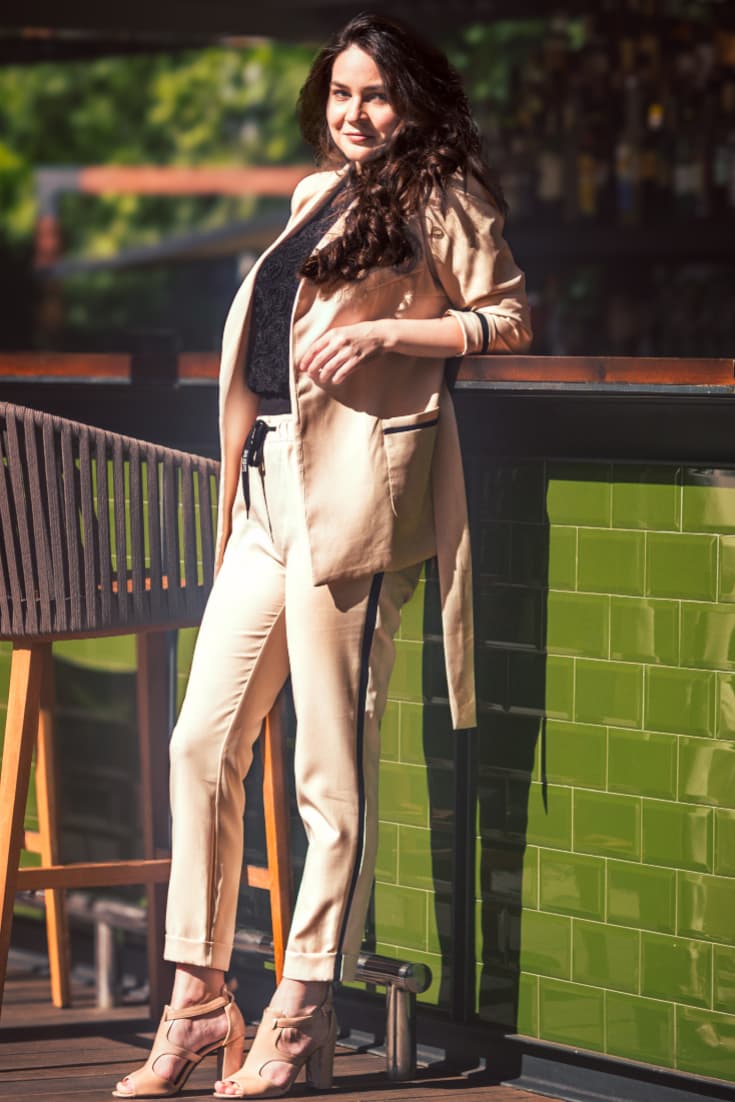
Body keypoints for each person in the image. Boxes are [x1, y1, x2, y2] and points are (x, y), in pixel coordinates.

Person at [113, 11, 531, 1100]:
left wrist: (395, 333)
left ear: (414, 101)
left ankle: (302, 1007)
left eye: (376, 95)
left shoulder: (447, 195)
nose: (355, 113)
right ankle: (200, 998)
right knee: (201, 741)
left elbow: (510, 317)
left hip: (349, 494)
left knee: (326, 772)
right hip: (261, 490)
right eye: (342, 94)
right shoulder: (316, 198)